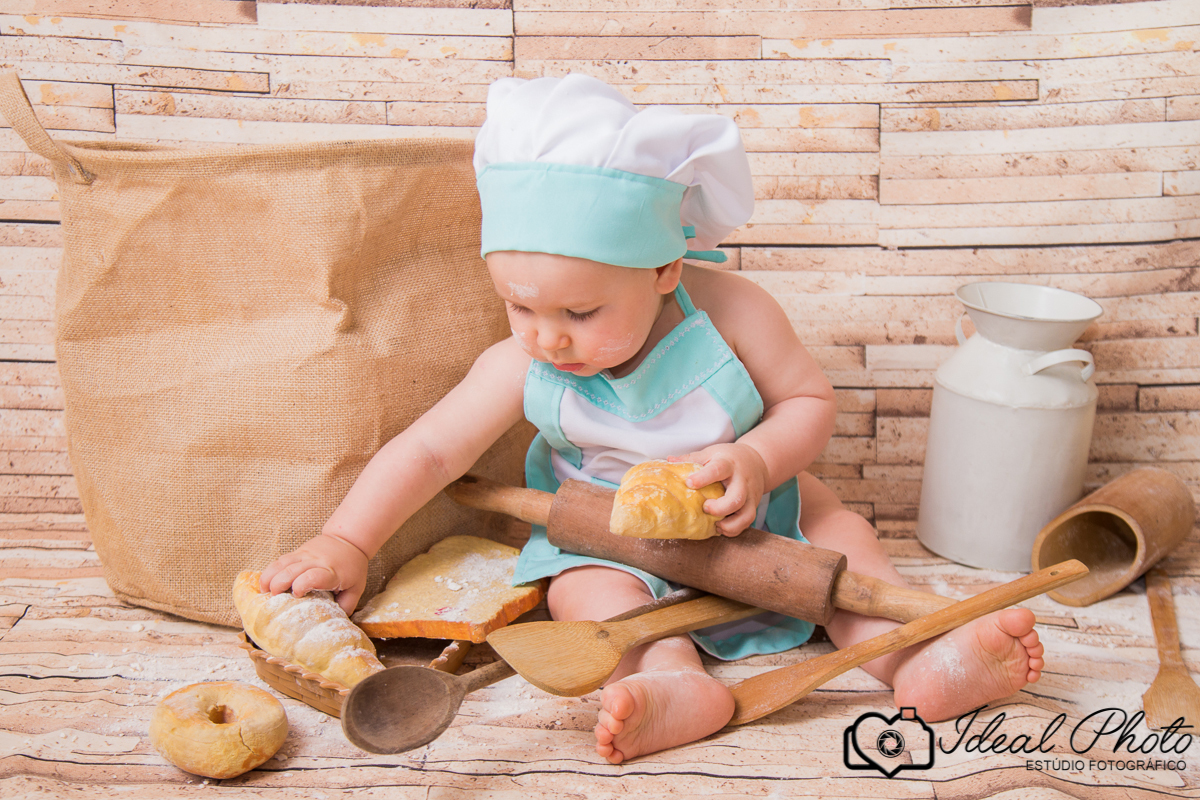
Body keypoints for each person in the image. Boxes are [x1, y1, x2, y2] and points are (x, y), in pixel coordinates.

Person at [261, 74, 1045, 765]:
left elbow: (808, 403)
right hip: (609, 538)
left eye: (579, 312)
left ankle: (917, 660)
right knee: (582, 593)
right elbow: (432, 450)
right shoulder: (522, 364)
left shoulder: (734, 314)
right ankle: (670, 679)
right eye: (519, 307)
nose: (547, 338)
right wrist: (347, 540)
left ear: (665, 266)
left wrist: (759, 461)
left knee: (845, 547)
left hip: (761, 519)